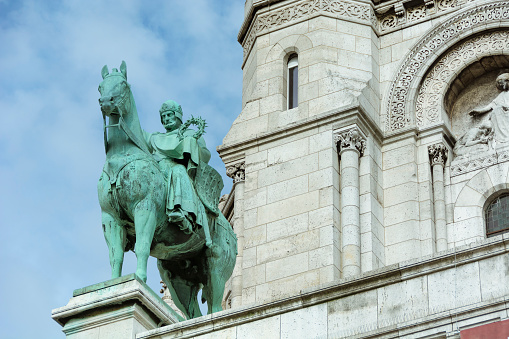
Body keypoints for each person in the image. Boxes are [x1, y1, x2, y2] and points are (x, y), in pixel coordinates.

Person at [144, 100, 212, 246]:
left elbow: (205, 155)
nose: (167, 119)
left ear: (178, 116)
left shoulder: (189, 134)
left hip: (177, 171)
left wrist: (191, 143)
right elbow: (138, 135)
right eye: (164, 116)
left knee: (178, 170)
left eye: (169, 115)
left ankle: (184, 213)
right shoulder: (155, 138)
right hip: (158, 170)